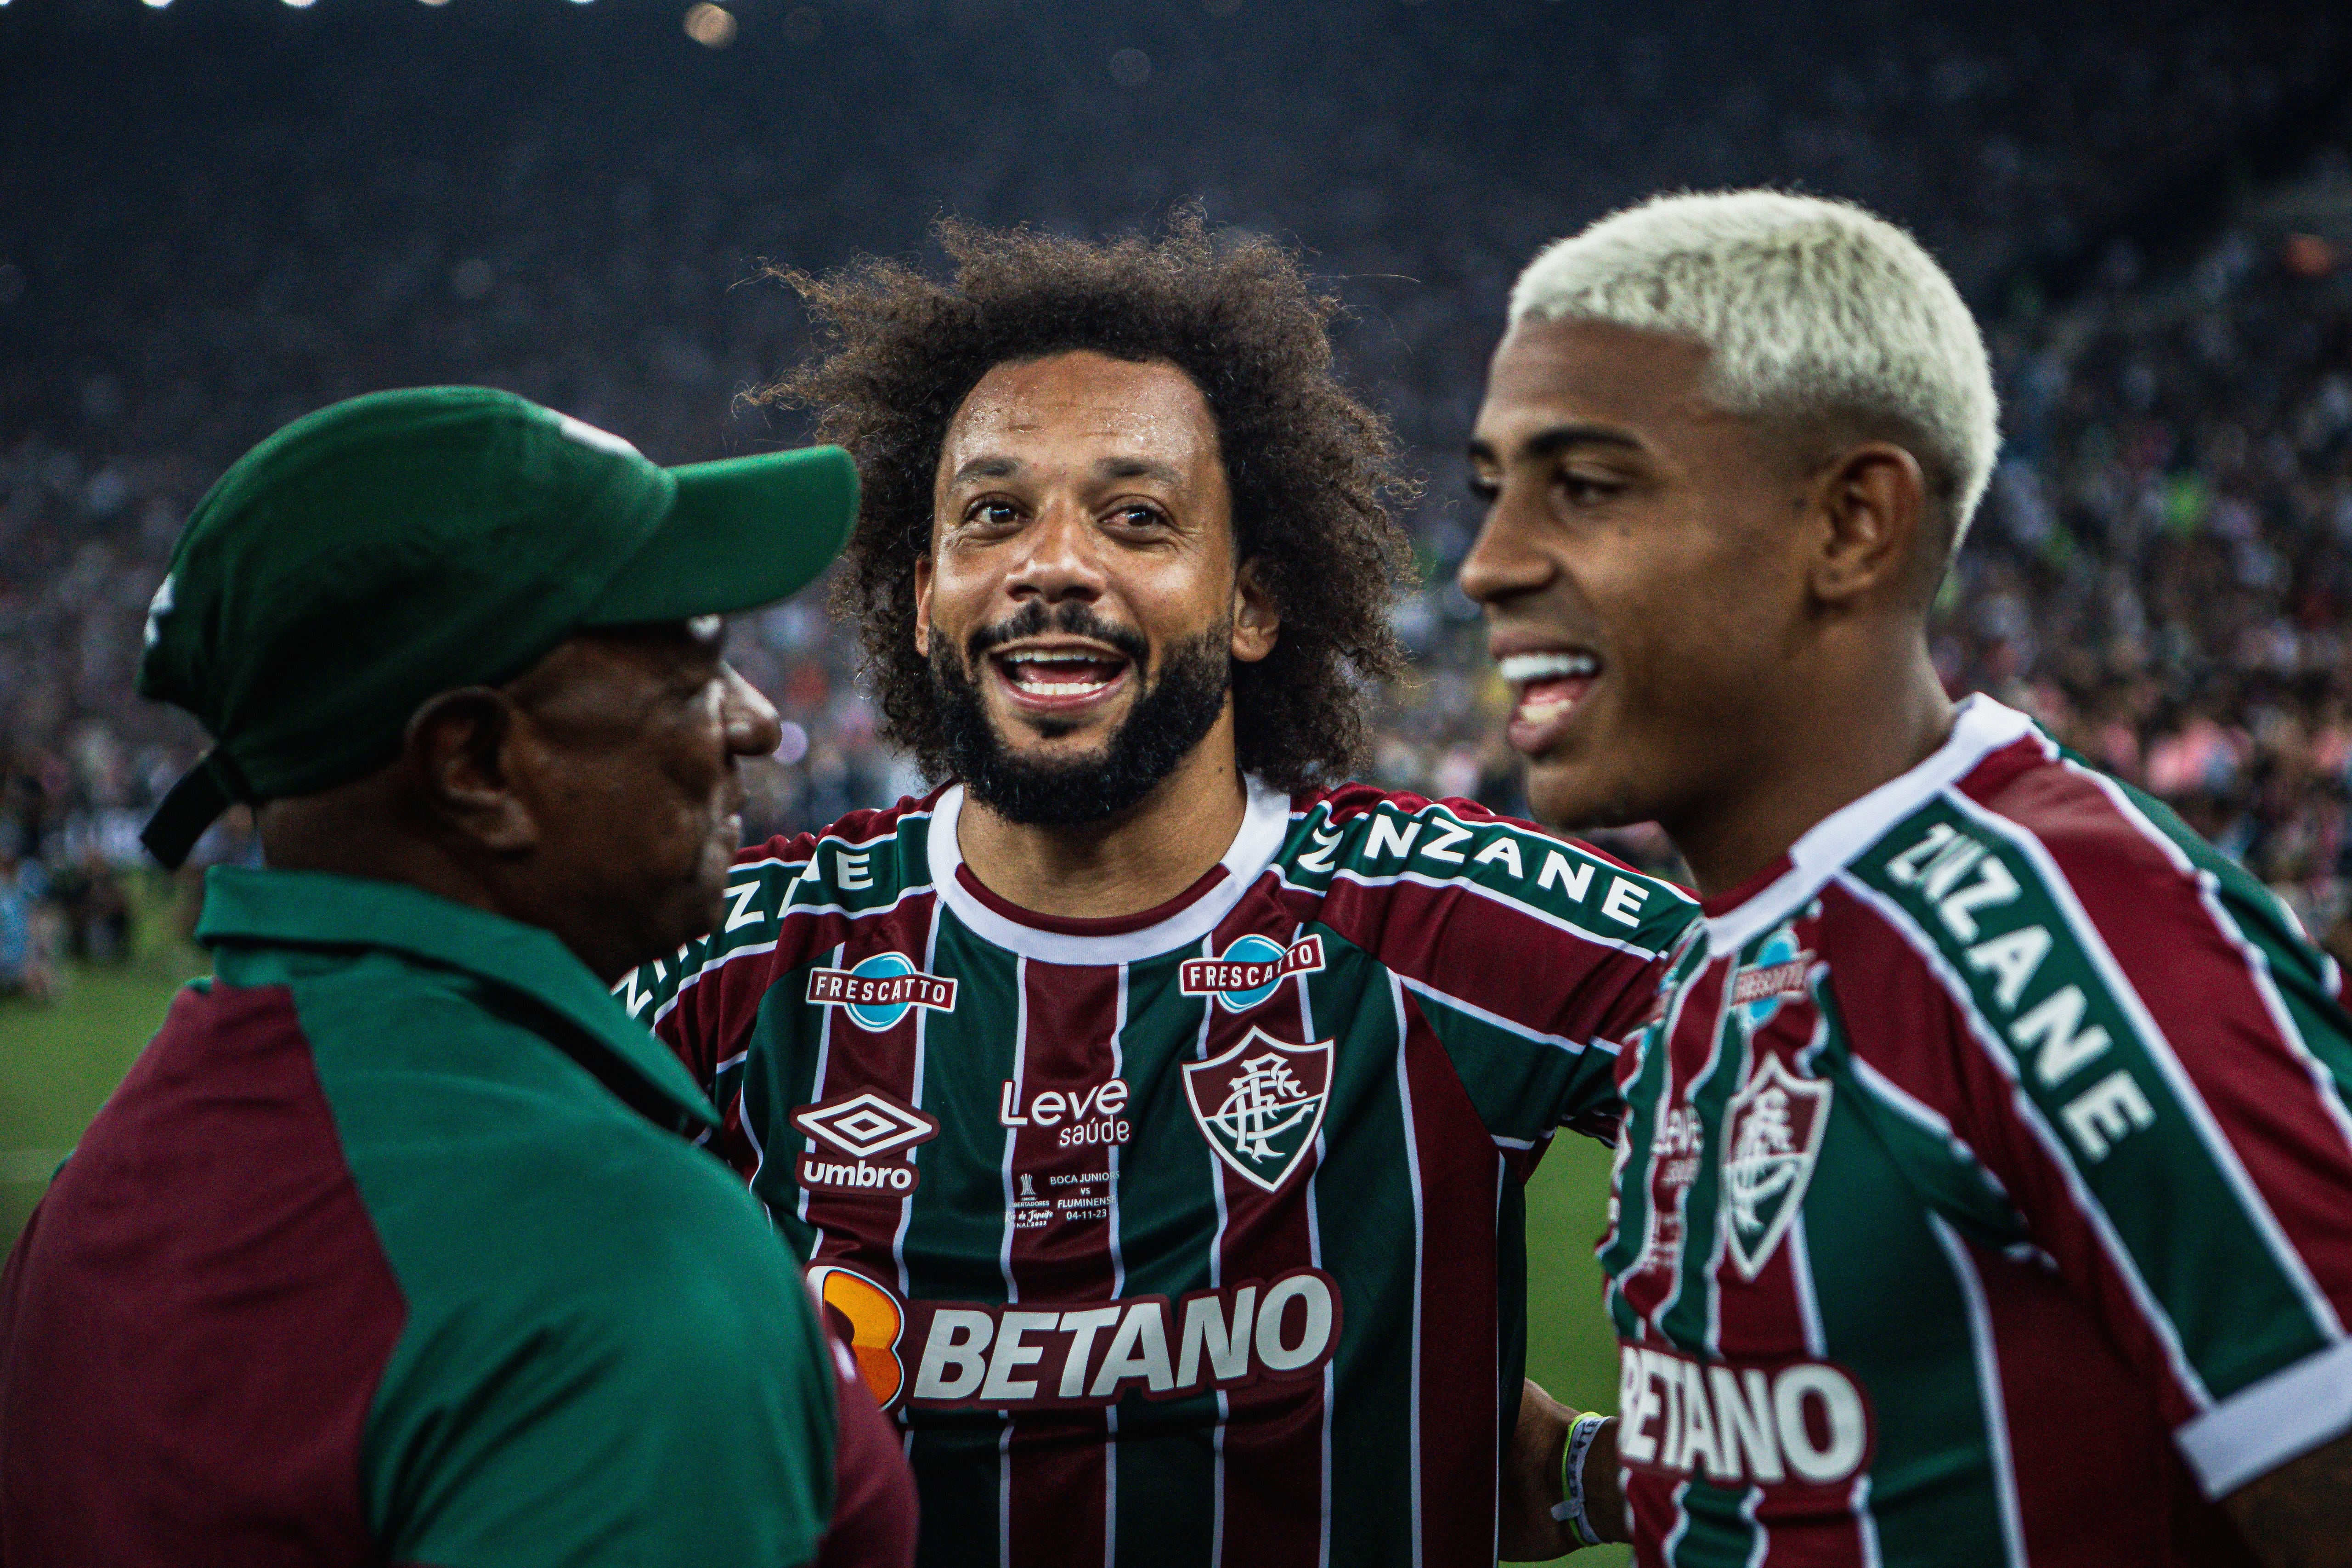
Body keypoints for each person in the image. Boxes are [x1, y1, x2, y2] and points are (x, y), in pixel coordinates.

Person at [620, 215, 1698, 1568]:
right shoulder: (740, 960)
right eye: (993, 514)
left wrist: (1613, 1462)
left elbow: (1880, 1059)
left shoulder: (1449, 928)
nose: (1054, 563)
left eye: (1136, 517)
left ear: (1251, 600)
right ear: (919, 594)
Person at [1461, 190, 2352, 1565]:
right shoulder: (1722, 954)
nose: (1489, 563)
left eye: (1584, 485)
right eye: (1495, 487)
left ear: (1852, 525)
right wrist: (1584, 1474)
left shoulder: (2065, 926)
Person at [0, 387, 916, 1567]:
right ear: (475, 763)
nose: (750, 722)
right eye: (688, 672)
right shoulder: (611, 1257)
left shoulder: (96, 1186)